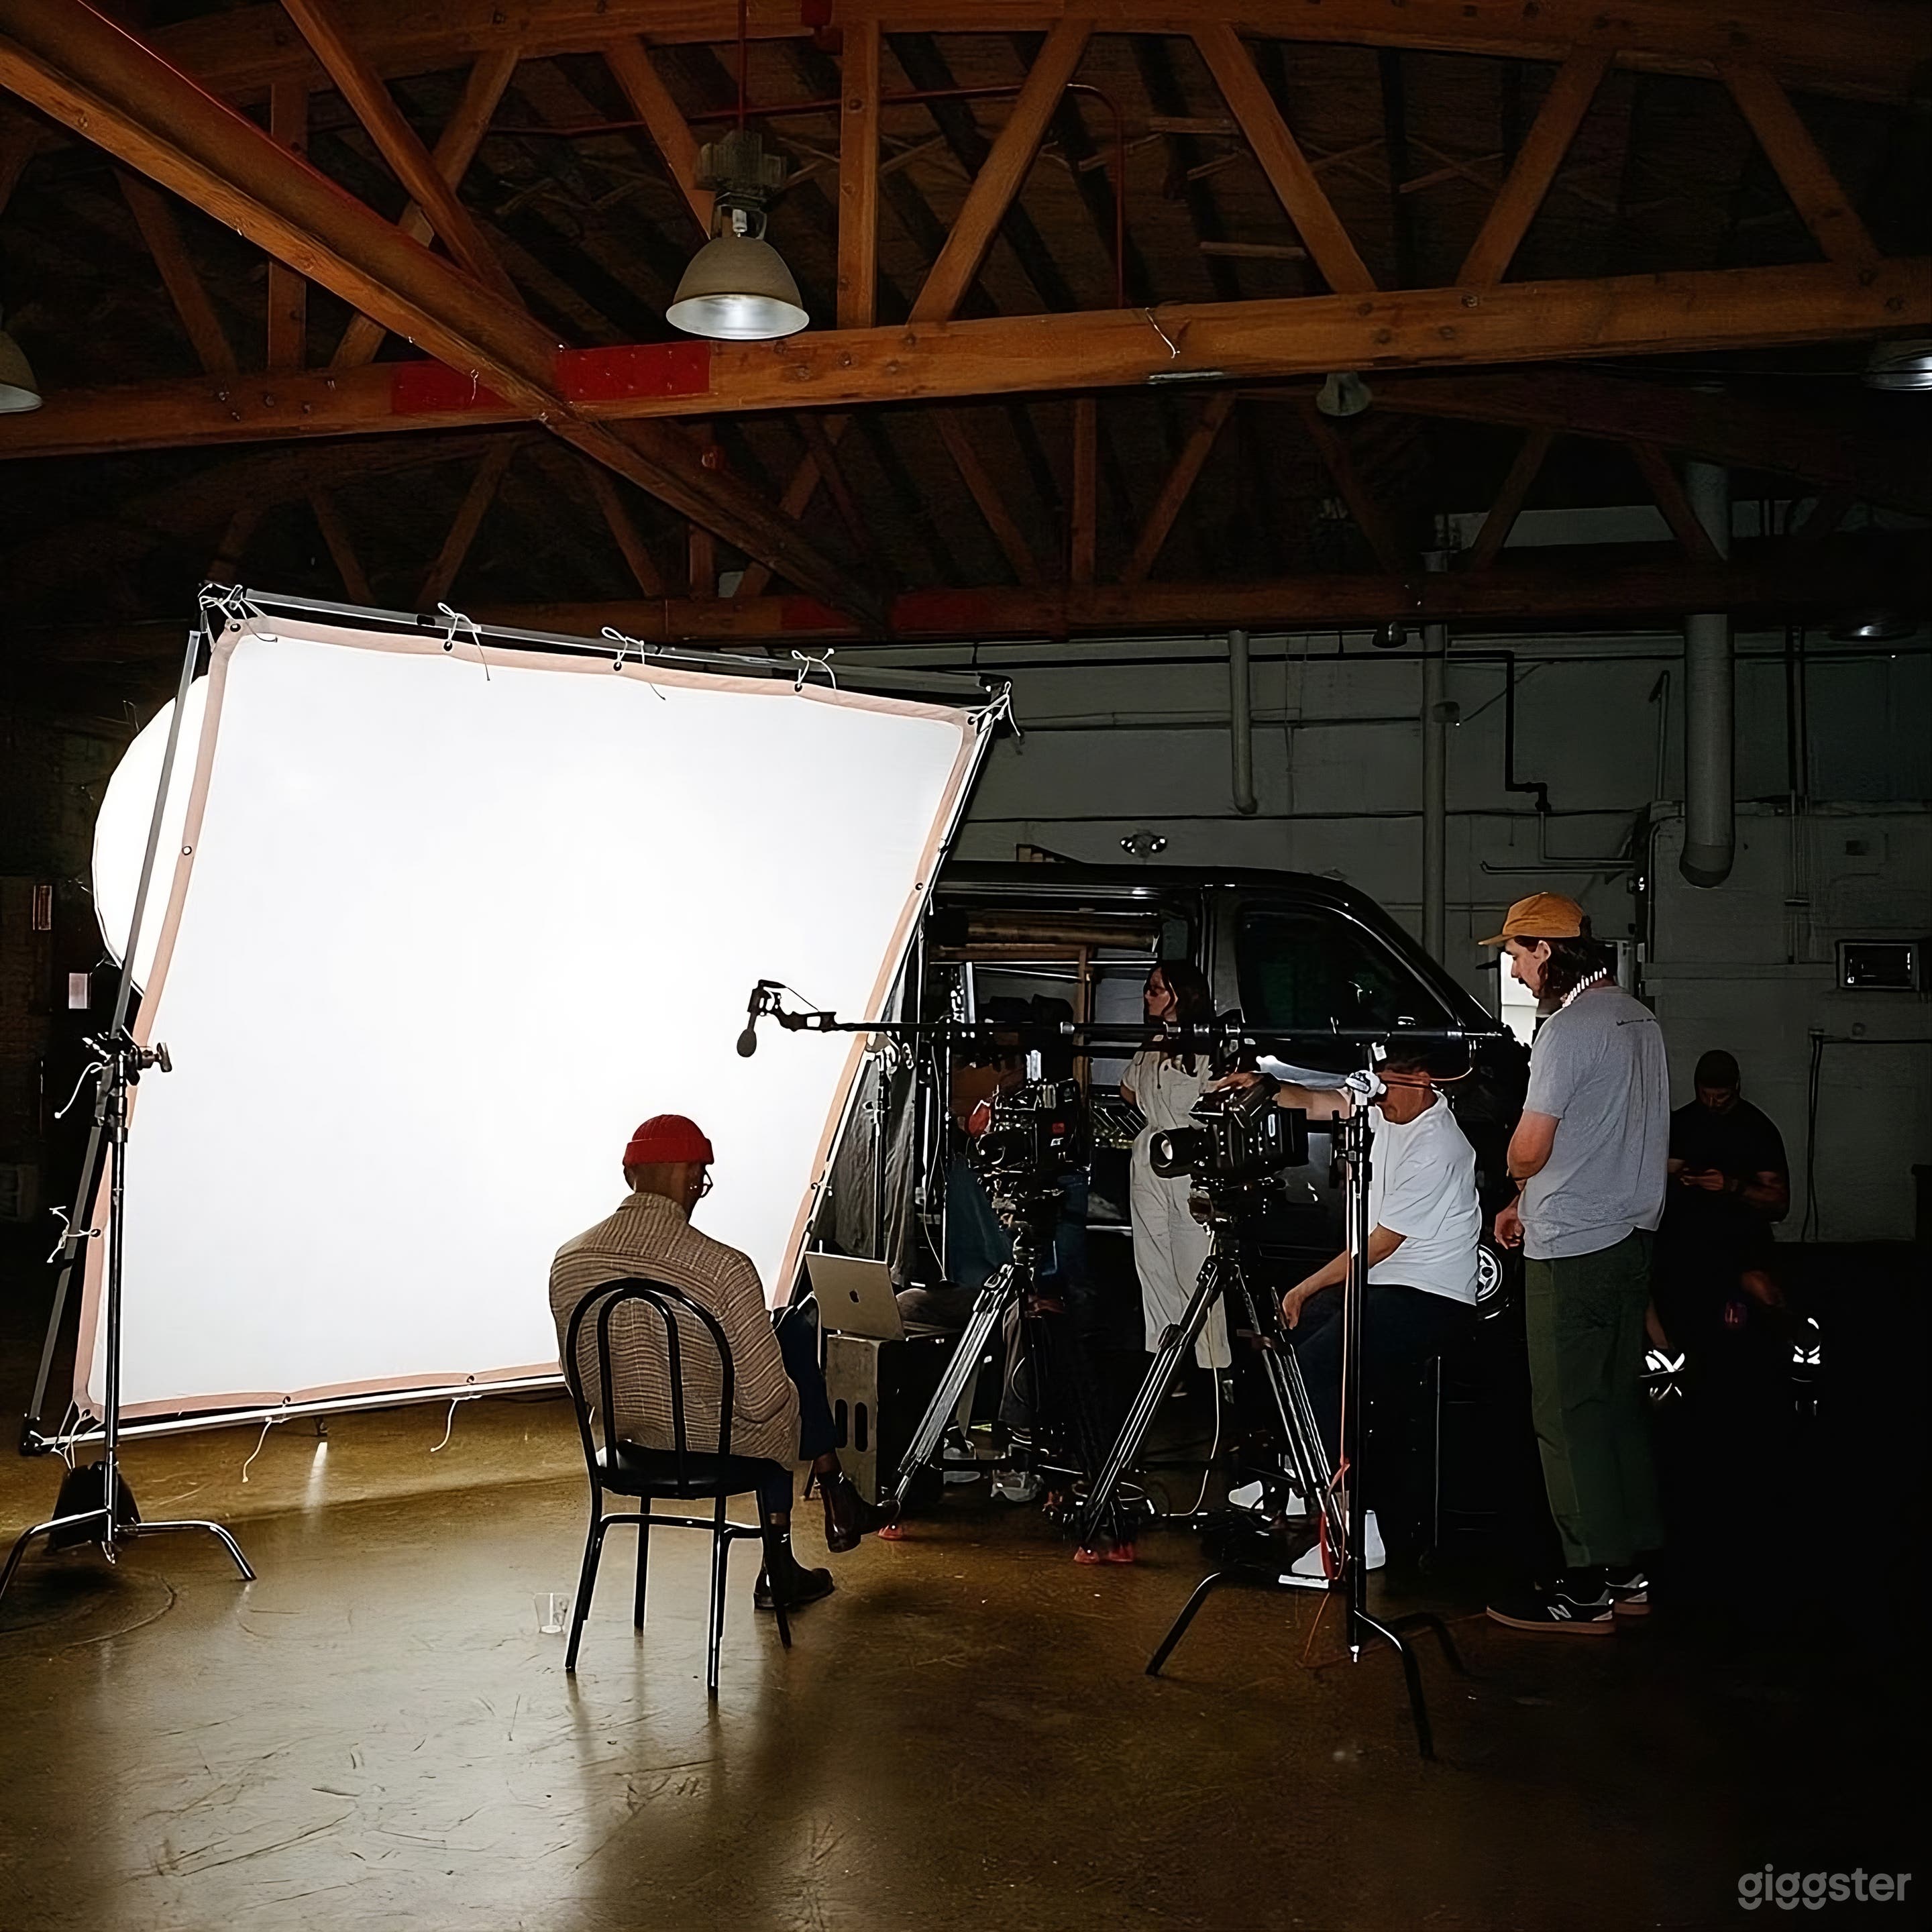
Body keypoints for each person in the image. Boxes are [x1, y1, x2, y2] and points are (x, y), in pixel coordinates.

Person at [549, 1114, 894, 1613]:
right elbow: (762, 1402)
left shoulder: (569, 1259)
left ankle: (820, 1519)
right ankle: (800, 1536)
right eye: (701, 1181)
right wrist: (794, 1384)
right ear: (694, 1177)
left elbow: (579, 1383)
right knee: (788, 1364)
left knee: (784, 1331)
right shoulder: (722, 1267)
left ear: (630, 1176)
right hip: (712, 1444)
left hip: (626, 1441)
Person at [1482, 894, 1668, 1635]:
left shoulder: (1564, 1031)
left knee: (1565, 1417)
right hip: (1630, 1237)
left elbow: (1531, 1146)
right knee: (1616, 1408)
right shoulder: (1637, 1017)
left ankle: (1585, 1588)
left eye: (1518, 954)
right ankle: (1630, 1570)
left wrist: (1514, 1173)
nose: (1516, 969)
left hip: (1574, 1247)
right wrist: (1525, 1199)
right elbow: (1608, 1128)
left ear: (1548, 952)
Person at [1228, 1049, 1483, 1576]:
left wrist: (1303, 1288)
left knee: (1325, 1365)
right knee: (1288, 1346)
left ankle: (1357, 1526)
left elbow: (1381, 1244)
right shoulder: (1380, 1101)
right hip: (1383, 1282)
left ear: (1421, 1079)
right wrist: (1264, 1088)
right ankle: (1304, 1475)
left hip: (1432, 1291)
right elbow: (1321, 1102)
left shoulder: (1440, 1144)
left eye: (1390, 1088)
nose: (1380, 1099)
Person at [1121, 961, 1229, 1375]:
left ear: (1180, 995)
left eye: (1155, 989)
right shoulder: (1153, 1042)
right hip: (1150, 1158)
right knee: (1153, 1261)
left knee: (1194, 1263)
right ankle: (1167, 1362)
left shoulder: (1206, 1046)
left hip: (1188, 1159)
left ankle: (1214, 1366)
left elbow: (1215, 1100)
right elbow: (1128, 1090)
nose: (1147, 996)